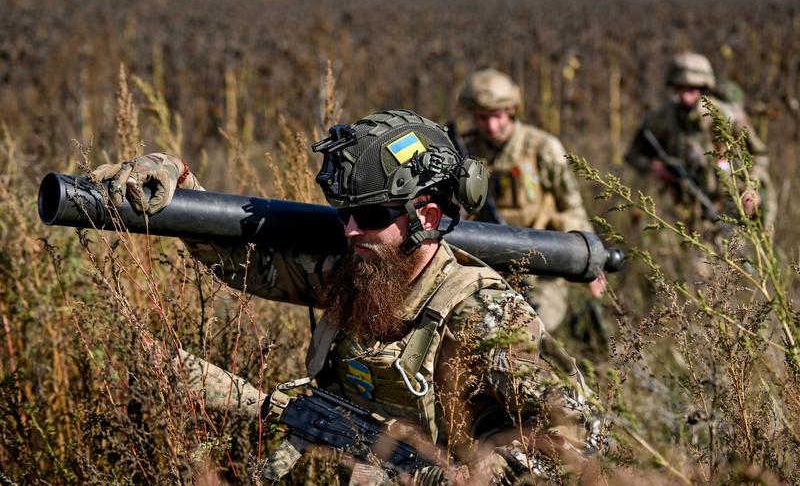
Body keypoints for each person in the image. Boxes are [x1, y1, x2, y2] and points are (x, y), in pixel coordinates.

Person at [91, 110, 605, 484]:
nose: (352, 230)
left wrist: (461, 476)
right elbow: (241, 264)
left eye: (374, 216)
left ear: (424, 219)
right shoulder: (352, 275)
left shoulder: (483, 315)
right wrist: (177, 181)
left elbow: (576, 440)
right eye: (343, 213)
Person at [457, 68, 605, 333]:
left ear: (512, 110)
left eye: (497, 117)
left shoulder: (542, 148)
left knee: (532, 332)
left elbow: (571, 206)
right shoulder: (465, 152)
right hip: (485, 267)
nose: (491, 126)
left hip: (543, 268)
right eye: (482, 118)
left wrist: (593, 264)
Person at [626, 52, 775, 232]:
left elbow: (759, 155)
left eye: (691, 89)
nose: (685, 97)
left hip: (738, 205)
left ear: (703, 87)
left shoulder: (728, 116)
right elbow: (633, 155)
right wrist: (652, 166)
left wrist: (752, 189)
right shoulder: (662, 118)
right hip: (692, 213)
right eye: (680, 88)